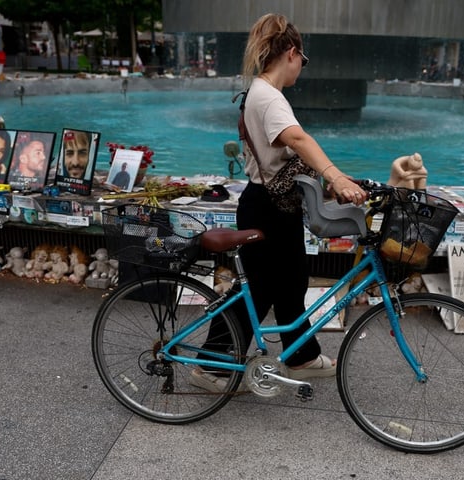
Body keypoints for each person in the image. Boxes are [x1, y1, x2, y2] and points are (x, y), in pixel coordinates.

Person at [191, 14, 367, 392]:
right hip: (267, 207)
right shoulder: (269, 98)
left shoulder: (262, 92)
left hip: (272, 204)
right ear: (291, 53)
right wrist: (335, 175)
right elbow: (298, 139)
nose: (301, 69)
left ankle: (301, 356)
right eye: (303, 61)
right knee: (258, 289)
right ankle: (211, 365)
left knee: (291, 281)